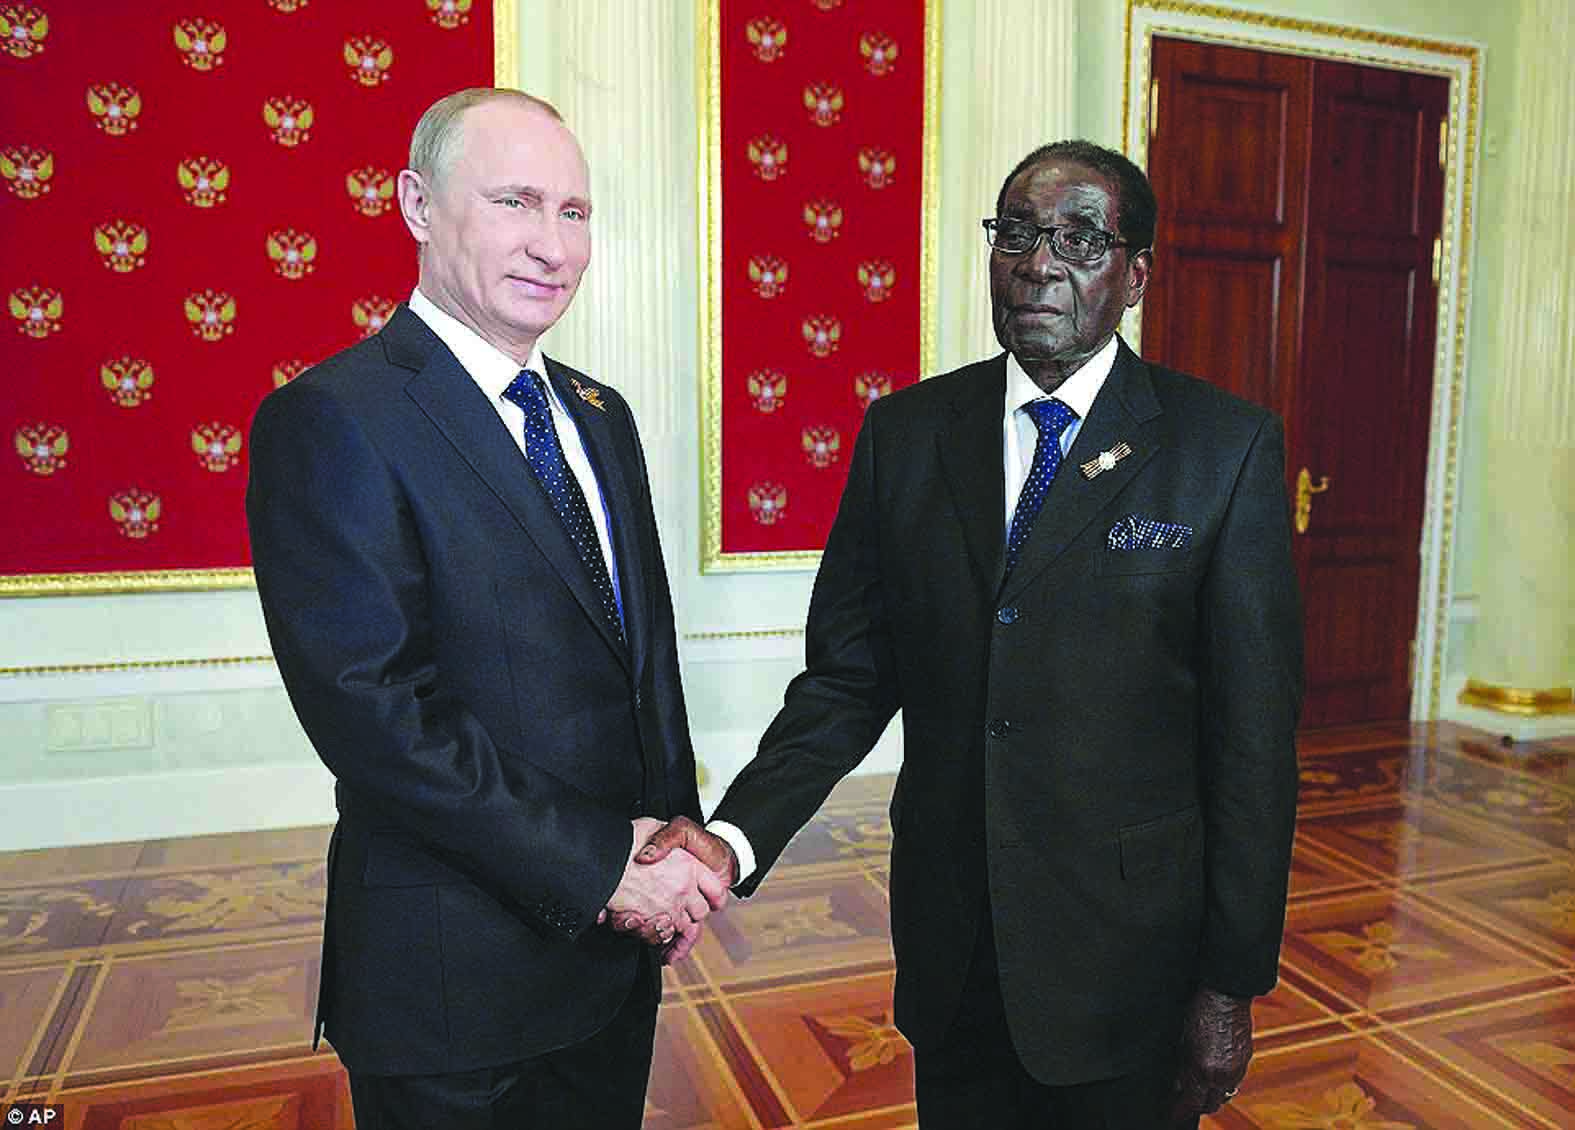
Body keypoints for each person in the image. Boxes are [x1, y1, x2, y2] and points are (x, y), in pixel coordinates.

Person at [637, 140, 1303, 1128]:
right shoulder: (907, 434)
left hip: (1128, 964)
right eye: (1018, 234)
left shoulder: (1222, 448)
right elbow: (848, 679)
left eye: (1080, 240)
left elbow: (1252, 746)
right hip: (954, 946)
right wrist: (734, 837)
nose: (1040, 265)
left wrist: (1229, 982)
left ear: (1136, 274)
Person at [246, 88, 724, 1130]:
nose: (553, 245)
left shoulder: (600, 414)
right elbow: (376, 715)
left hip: (611, 960)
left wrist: (675, 849)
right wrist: (601, 868)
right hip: (454, 986)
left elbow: (641, 662)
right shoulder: (332, 418)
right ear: (417, 205)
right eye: (515, 202)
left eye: (574, 211)